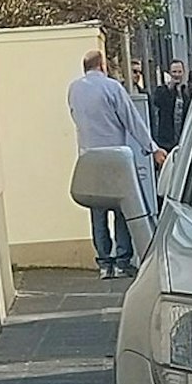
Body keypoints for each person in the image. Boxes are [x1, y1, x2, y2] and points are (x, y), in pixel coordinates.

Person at [67, 48, 166, 280]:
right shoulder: (112, 88)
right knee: (122, 209)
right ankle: (123, 260)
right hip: (115, 156)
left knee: (97, 212)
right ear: (102, 66)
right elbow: (131, 119)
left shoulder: (74, 89)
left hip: (89, 157)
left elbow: (75, 116)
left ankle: (104, 263)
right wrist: (152, 148)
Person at [152, 59, 192, 151]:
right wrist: (170, 88)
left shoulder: (187, 92)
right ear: (170, 73)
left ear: (183, 73)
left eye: (179, 72)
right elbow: (157, 102)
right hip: (166, 141)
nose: (177, 75)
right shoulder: (162, 91)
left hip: (183, 139)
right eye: (174, 72)